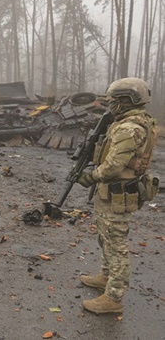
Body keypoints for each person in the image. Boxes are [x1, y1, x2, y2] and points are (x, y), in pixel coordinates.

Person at [76, 77, 159, 314]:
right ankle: (106, 276)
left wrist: (91, 177)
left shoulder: (129, 127)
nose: (110, 105)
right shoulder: (129, 122)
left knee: (116, 244)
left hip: (119, 191)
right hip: (113, 191)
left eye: (113, 100)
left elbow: (113, 165)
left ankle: (114, 298)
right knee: (106, 237)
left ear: (125, 101)